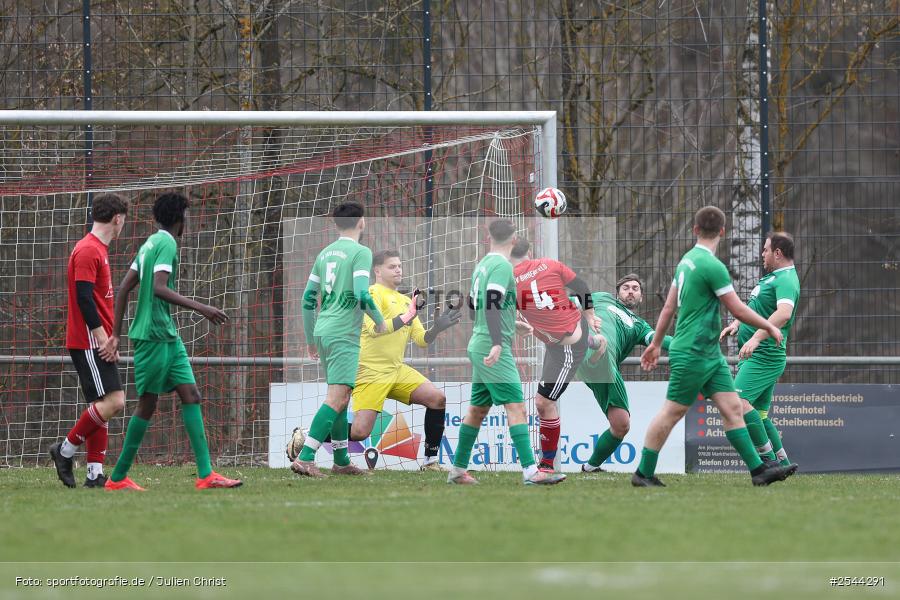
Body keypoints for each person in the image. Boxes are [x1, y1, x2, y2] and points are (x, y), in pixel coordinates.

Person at [636, 206, 793, 487]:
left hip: (710, 355)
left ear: (695, 230)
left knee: (733, 408)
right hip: (693, 353)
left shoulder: (686, 261)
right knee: (672, 412)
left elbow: (669, 307)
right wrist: (768, 327)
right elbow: (739, 309)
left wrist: (657, 343)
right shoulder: (712, 266)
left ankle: (759, 471)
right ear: (722, 231)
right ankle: (643, 473)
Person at [103, 192, 241, 491]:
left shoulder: (150, 242)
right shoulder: (166, 242)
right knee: (147, 404)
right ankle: (117, 478)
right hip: (152, 336)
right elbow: (159, 289)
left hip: (167, 334)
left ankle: (206, 475)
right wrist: (202, 308)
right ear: (180, 219)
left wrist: (115, 333)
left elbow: (126, 287)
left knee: (191, 394)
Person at [447, 220, 565, 485]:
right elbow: (490, 304)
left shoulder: (482, 265)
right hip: (491, 346)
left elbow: (473, 306)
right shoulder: (501, 266)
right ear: (514, 241)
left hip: (479, 343)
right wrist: (499, 341)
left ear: (487, 237)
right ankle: (531, 472)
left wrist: (511, 323)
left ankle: (457, 471)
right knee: (516, 407)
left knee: (477, 410)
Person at [291, 202, 386, 478]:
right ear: (362, 222)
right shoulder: (360, 252)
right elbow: (361, 293)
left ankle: (341, 459)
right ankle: (306, 457)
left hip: (324, 330)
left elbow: (307, 298)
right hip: (344, 333)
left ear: (335, 225)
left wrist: (311, 338)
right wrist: (379, 320)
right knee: (339, 395)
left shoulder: (325, 254)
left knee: (341, 398)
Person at [349, 249, 460, 471]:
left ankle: (430, 462)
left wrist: (436, 329)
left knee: (437, 398)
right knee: (360, 432)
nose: (398, 269)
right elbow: (374, 330)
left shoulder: (404, 300)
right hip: (370, 371)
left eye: (400, 265)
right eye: (392, 266)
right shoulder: (372, 294)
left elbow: (421, 340)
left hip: (396, 370)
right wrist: (408, 316)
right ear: (377, 271)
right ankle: (308, 436)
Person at [49, 193, 129, 488]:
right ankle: (65, 450)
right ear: (117, 218)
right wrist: (103, 339)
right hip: (88, 341)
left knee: (100, 404)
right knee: (115, 401)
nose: (124, 227)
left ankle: (95, 474)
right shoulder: (87, 250)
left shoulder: (98, 249)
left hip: (96, 339)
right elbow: (83, 299)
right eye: (124, 221)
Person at [509, 238, 601, 473]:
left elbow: (498, 314)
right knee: (543, 402)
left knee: (544, 401)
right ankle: (593, 339)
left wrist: (515, 325)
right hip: (560, 337)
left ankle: (547, 465)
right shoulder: (550, 264)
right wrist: (590, 315)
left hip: (569, 348)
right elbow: (581, 286)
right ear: (529, 251)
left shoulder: (507, 281)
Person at [720, 232, 800, 474]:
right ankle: (783, 464)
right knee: (761, 415)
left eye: (765, 250)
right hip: (757, 356)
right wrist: (738, 324)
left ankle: (768, 463)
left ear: (777, 253)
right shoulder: (773, 277)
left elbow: (784, 313)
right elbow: (758, 309)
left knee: (738, 404)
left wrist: (755, 337)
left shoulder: (786, 278)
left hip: (765, 356)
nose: (762, 254)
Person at [575, 274, 672, 473]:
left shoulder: (639, 326)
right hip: (589, 353)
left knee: (621, 425)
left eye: (635, 288)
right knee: (597, 343)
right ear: (617, 292)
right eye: (626, 287)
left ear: (641, 297)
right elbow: (573, 300)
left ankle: (590, 467)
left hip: (608, 369)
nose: (630, 291)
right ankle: (593, 345)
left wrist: (686, 345)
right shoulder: (601, 298)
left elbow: (656, 339)